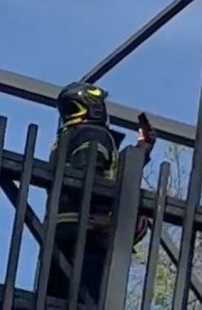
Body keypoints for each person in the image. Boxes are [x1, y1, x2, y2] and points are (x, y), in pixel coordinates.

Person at [44, 81, 153, 305]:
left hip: (65, 238)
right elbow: (92, 180)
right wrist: (114, 219)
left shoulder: (67, 139)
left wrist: (142, 151)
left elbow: (108, 177)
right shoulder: (93, 134)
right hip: (85, 239)